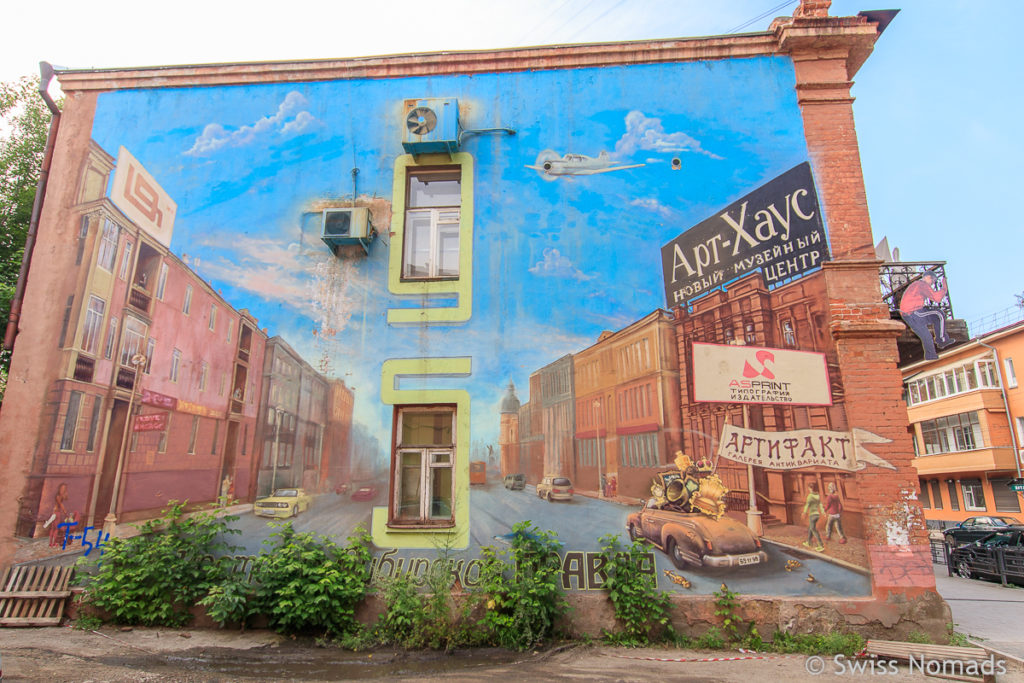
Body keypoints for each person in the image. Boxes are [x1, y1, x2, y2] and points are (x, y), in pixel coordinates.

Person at [899, 271, 953, 360]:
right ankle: (942, 340)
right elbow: (937, 298)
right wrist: (944, 287)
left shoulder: (915, 285)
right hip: (913, 311)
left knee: (926, 336)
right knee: (938, 314)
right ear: (928, 277)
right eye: (933, 280)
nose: (932, 283)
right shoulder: (921, 284)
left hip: (907, 315)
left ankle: (931, 356)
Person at [802, 482, 825, 552]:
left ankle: (821, 545)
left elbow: (807, 505)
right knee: (810, 528)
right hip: (817, 515)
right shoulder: (817, 495)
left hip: (812, 515)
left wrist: (804, 512)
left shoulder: (810, 496)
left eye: (809, 488)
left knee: (813, 529)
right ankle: (808, 542)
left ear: (811, 488)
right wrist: (823, 512)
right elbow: (820, 505)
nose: (808, 489)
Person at [47, 483, 70, 548]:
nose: (63, 490)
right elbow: (60, 504)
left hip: (54, 512)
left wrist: (65, 494)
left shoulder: (60, 495)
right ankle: (53, 543)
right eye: (62, 488)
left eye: (64, 489)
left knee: (53, 528)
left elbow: (66, 498)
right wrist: (65, 511)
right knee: (55, 528)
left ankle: (51, 543)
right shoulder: (58, 496)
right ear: (59, 489)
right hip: (57, 513)